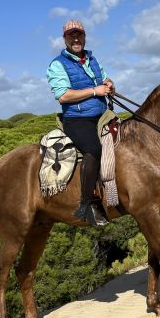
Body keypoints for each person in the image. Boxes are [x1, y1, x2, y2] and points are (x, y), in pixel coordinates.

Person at [47, 19, 114, 227]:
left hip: (101, 114)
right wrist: (95, 91)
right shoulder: (58, 64)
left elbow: (104, 79)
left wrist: (109, 84)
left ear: (84, 36)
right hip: (77, 119)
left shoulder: (93, 59)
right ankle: (87, 204)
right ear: (65, 39)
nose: (76, 39)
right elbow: (63, 96)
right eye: (71, 35)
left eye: (79, 35)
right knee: (93, 149)